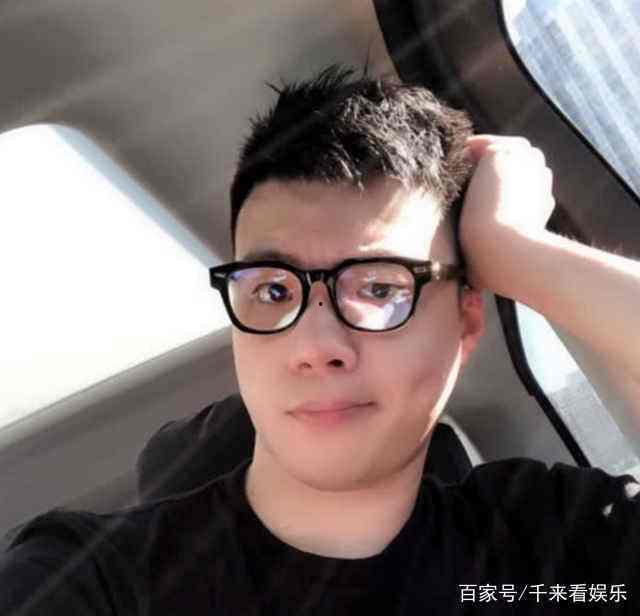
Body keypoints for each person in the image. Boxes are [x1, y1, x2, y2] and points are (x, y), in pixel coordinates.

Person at [2, 65, 640, 615]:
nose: (315, 345)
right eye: (273, 290)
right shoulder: (97, 580)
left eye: (380, 287)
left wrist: (516, 249)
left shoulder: (550, 546)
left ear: (466, 323)